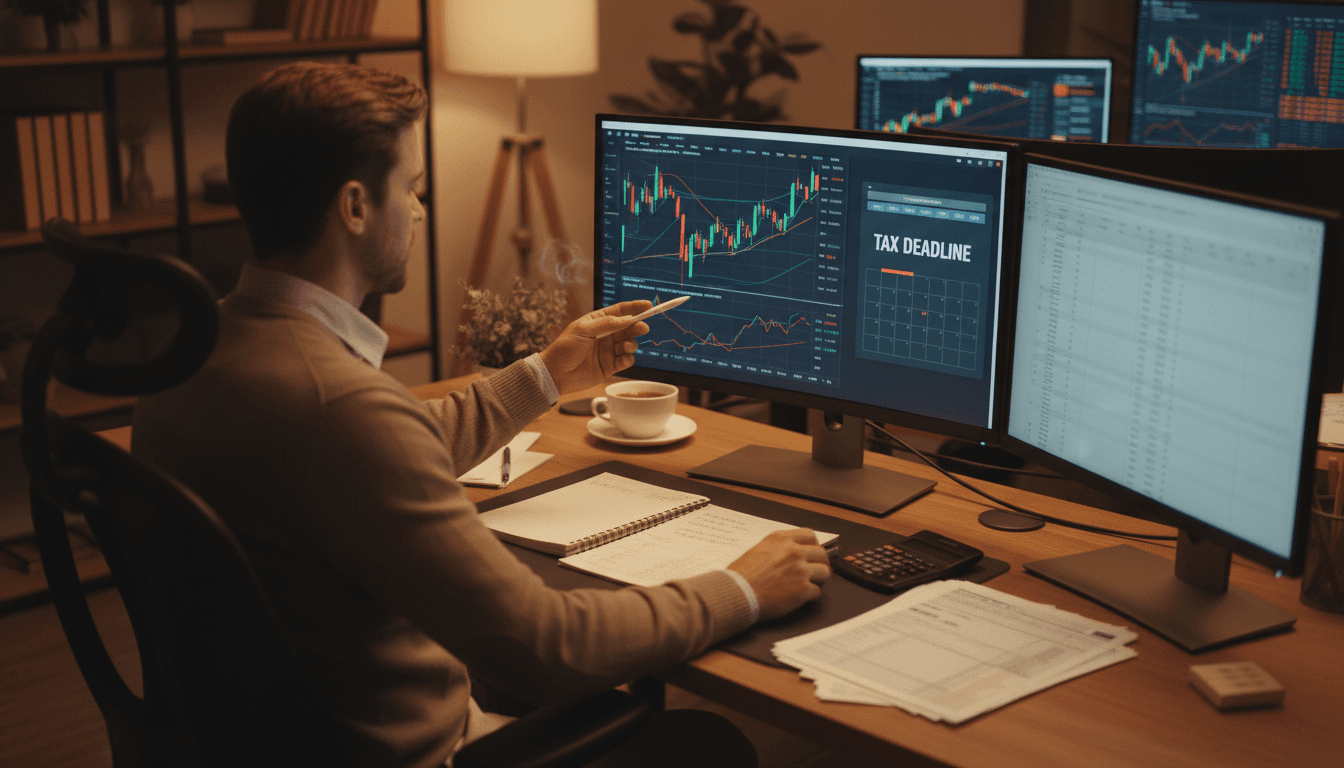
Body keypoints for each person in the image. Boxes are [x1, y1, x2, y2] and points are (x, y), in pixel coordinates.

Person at [131, 61, 831, 767]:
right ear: (353, 207)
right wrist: (742, 588)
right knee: (708, 744)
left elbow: (381, 446)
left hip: (263, 739)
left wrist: (544, 377)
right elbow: (546, 646)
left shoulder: (196, 354)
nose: (420, 209)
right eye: (409, 188)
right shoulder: (336, 407)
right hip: (418, 750)